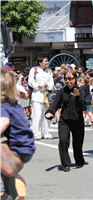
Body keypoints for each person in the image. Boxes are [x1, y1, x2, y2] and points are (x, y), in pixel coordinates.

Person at [0, 68, 35, 199]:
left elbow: (3, 123)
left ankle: (1, 192)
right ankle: (18, 180)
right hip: (26, 147)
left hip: (18, 148)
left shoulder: (2, 107)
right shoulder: (13, 105)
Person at [45, 69, 88, 172]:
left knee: (78, 143)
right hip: (64, 119)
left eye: (70, 78)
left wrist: (77, 97)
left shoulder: (80, 90)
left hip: (77, 119)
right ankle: (66, 163)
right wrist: (50, 112)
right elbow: (55, 103)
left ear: (75, 78)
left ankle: (79, 159)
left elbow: (83, 104)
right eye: (66, 79)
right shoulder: (62, 91)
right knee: (63, 140)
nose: (68, 81)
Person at [28, 56, 54, 140]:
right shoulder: (34, 70)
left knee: (46, 115)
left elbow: (52, 83)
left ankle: (46, 133)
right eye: (45, 61)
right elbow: (30, 81)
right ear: (40, 62)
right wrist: (38, 85)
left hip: (46, 95)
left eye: (47, 61)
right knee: (37, 116)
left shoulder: (49, 71)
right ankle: (37, 134)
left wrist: (47, 85)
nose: (47, 62)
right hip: (37, 95)